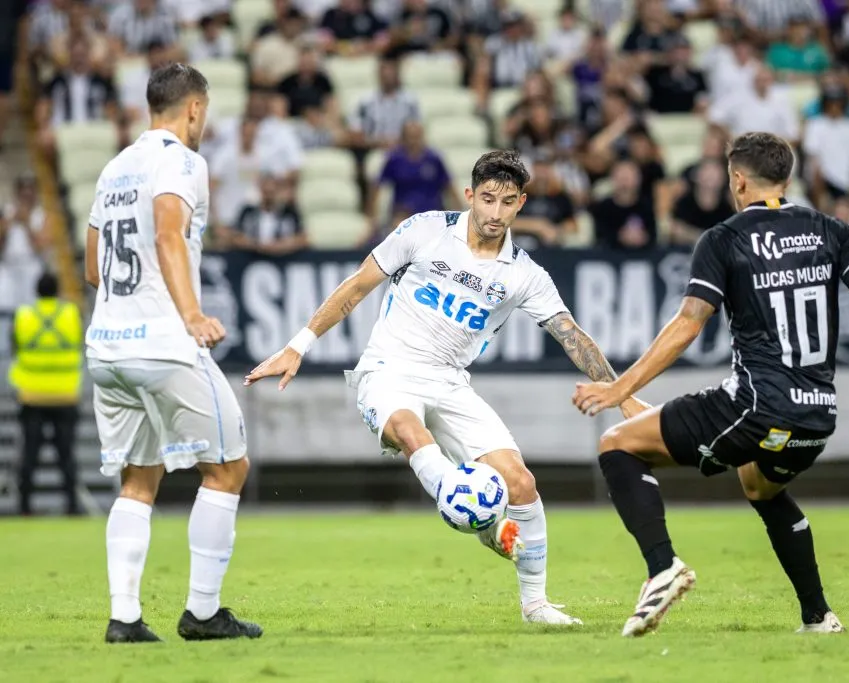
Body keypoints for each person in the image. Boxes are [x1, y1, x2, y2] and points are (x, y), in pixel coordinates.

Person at [244, 150, 649, 626]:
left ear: (522, 203)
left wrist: (622, 394)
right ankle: (465, 507)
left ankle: (536, 604)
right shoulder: (424, 230)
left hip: (451, 383)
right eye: (488, 200)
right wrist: (298, 345)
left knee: (521, 483)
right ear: (470, 195)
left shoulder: (524, 274)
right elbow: (357, 286)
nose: (496, 214)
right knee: (409, 429)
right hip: (388, 370)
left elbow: (572, 336)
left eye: (508, 203)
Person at [571, 132, 849, 637]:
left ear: (737, 179)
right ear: (786, 178)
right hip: (816, 415)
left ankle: (662, 569)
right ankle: (818, 617)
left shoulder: (724, 238)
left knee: (616, 446)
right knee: (758, 484)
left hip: (756, 406)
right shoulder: (829, 229)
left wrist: (617, 389)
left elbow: (688, 325)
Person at [83, 64, 261, 644]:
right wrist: (188, 314)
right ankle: (203, 613)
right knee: (229, 466)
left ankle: (124, 619)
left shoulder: (113, 168)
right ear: (192, 109)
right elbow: (166, 233)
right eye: (203, 112)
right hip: (164, 345)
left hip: (108, 348)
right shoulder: (183, 160)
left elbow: (92, 268)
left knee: (138, 479)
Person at [8, 272, 82, 516]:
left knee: (29, 454)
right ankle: (72, 505)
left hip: (31, 394)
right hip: (65, 393)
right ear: (57, 289)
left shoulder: (24, 315)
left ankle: (24, 506)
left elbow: (15, 347)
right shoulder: (72, 314)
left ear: (37, 290)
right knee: (66, 454)